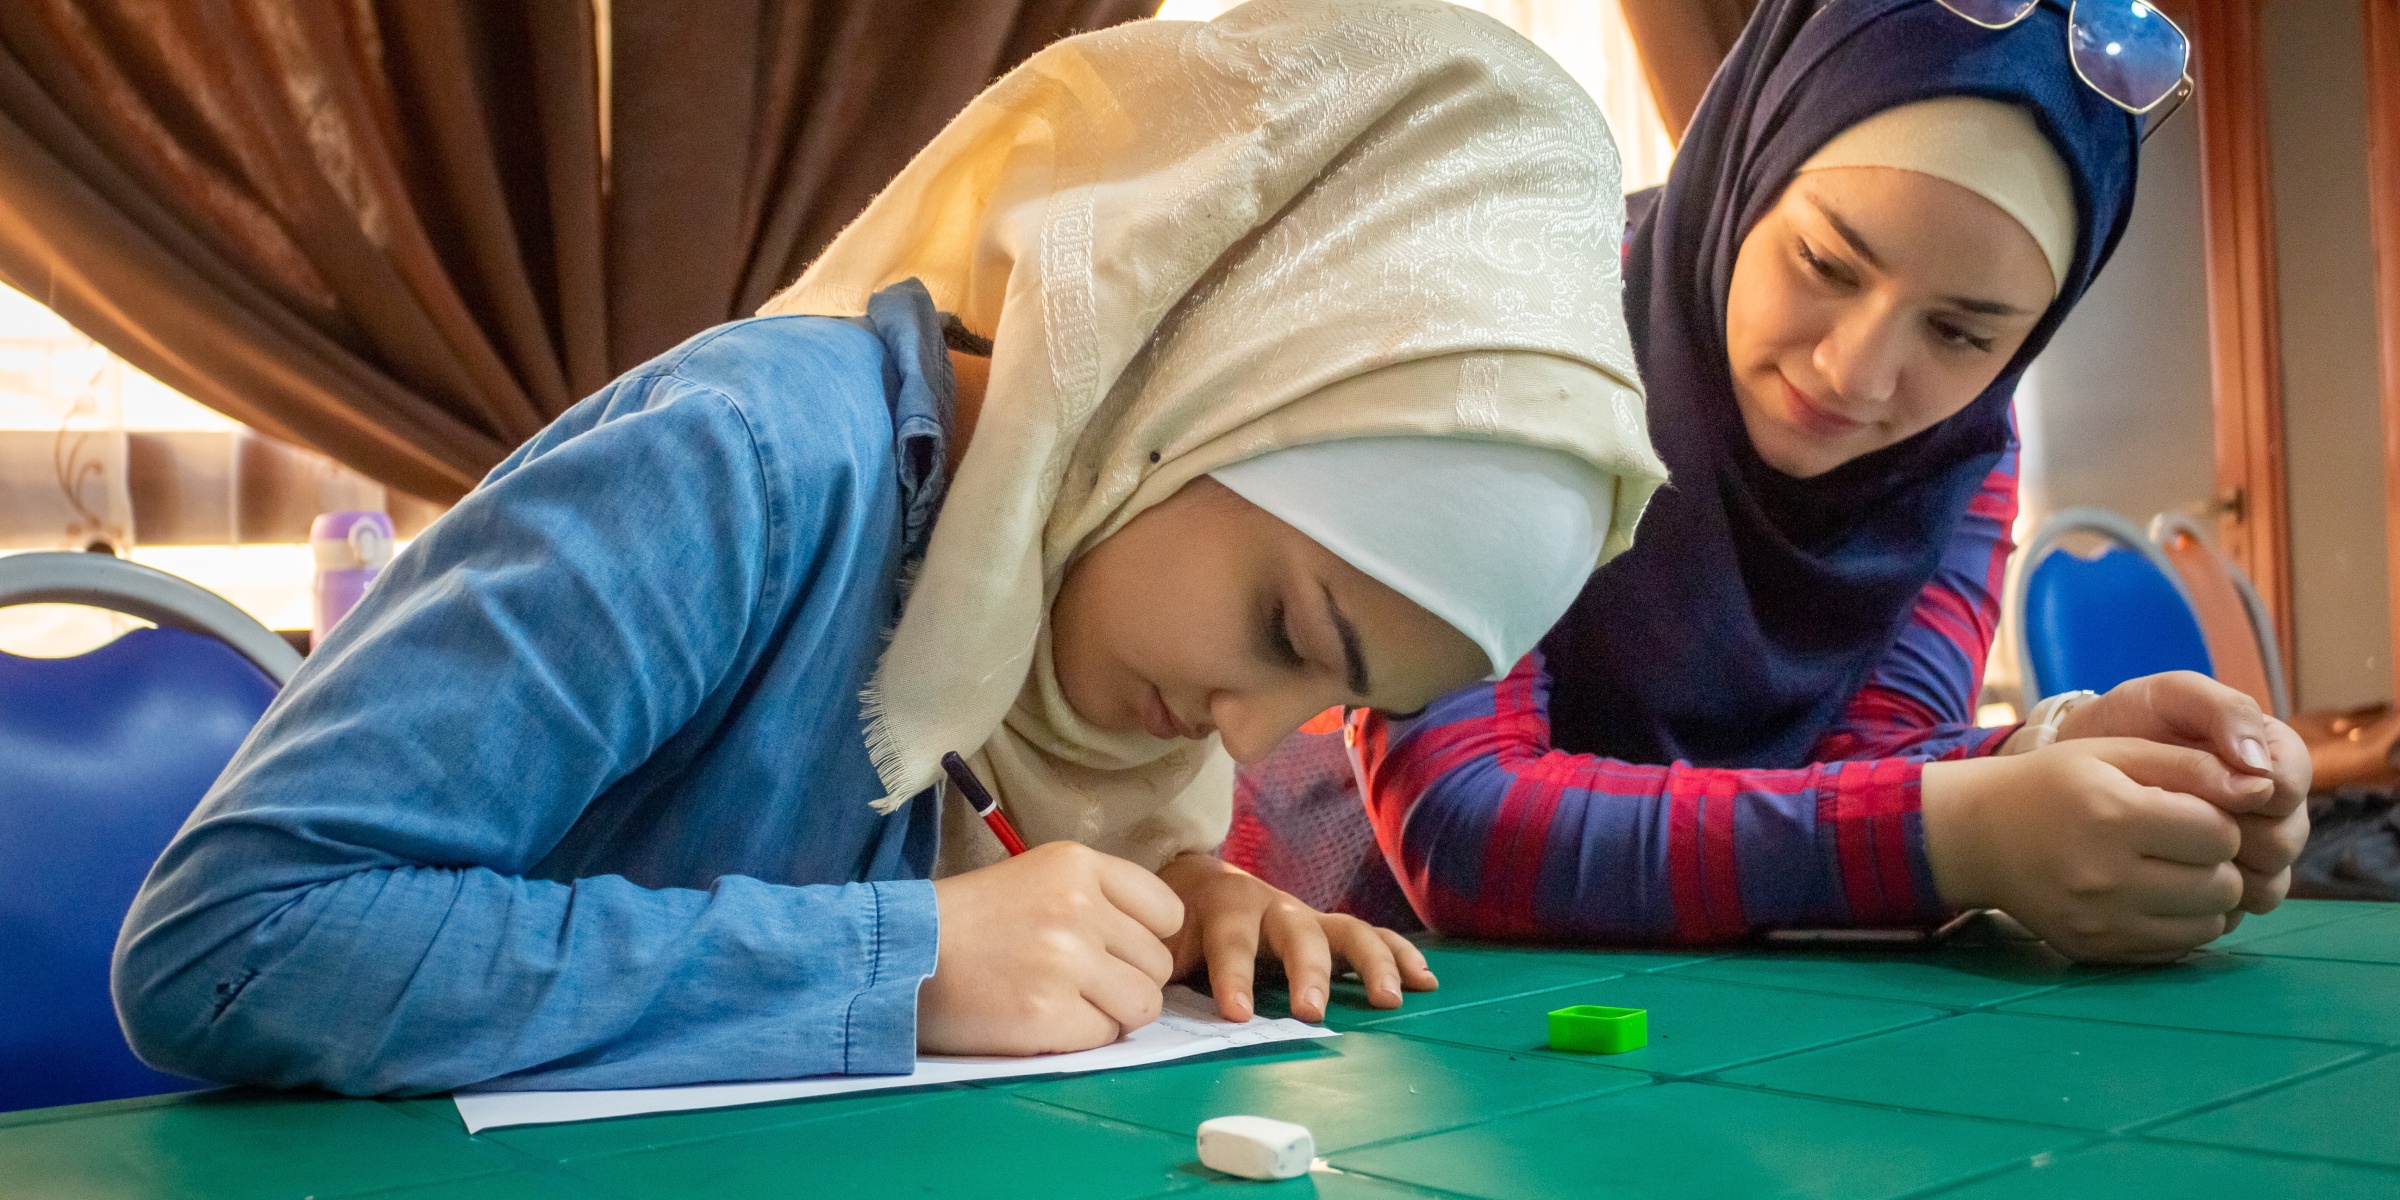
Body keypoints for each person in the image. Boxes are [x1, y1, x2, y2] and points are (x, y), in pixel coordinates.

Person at [109, 0, 1668, 1096]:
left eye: (1336, 702)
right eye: (1283, 627)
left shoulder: (1052, 585)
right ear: (1170, 390)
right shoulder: (747, 461)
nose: (1255, 741)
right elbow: (233, 943)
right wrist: (899, 965)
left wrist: (1177, 894)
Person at [1235, 0, 2309, 964]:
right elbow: (1460, 825)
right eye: (1827, 265)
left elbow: (1880, 765)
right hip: (1344, 991)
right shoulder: (1524, 333)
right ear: (1751, 164)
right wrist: (1970, 829)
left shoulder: (1960, 454)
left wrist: (2082, 759)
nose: (1858, 373)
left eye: (1962, 332)